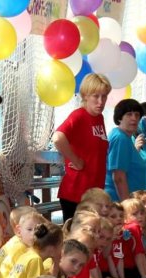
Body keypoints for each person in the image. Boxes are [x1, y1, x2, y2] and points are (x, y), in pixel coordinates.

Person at [53, 73, 110, 222]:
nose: (101, 101)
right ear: (85, 96)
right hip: (76, 193)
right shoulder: (79, 115)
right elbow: (58, 137)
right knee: (76, 241)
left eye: (104, 96)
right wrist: (75, 160)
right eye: (95, 96)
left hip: (94, 194)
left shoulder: (99, 117)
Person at [105, 98, 146, 202]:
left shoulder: (124, 137)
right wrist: (127, 205)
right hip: (117, 201)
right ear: (119, 118)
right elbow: (118, 177)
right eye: (129, 114)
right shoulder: (120, 138)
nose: (134, 118)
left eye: (137, 115)